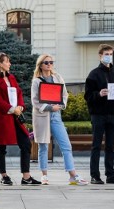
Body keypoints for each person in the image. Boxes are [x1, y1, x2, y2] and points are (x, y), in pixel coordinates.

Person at [31, 54, 88, 186]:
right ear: (40, 65)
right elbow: (35, 101)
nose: (49, 64)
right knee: (43, 146)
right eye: (46, 62)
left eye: (51, 62)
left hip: (56, 117)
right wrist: (50, 107)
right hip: (42, 116)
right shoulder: (36, 81)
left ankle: (72, 176)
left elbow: (64, 94)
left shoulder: (57, 77)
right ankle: (44, 175)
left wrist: (61, 105)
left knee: (66, 145)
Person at [0, 52, 41, 186]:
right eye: (7, 61)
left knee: (26, 144)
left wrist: (21, 107)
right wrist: (12, 109)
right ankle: (4, 175)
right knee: (1, 147)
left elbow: (19, 93)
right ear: (0, 64)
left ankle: (26, 176)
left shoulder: (11, 78)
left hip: (15, 117)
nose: (9, 63)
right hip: (2, 117)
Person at [84, 44, 114, 184]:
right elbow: (88, 96)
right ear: (100, 56)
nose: (109, 56)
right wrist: (99, 94)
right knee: (96, 145)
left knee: (110, 147)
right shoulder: (93, 74)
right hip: (98, 115)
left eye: (111, 54)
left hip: (113, 114)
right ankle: (95, 176)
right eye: (106, 54)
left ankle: (110, 175)